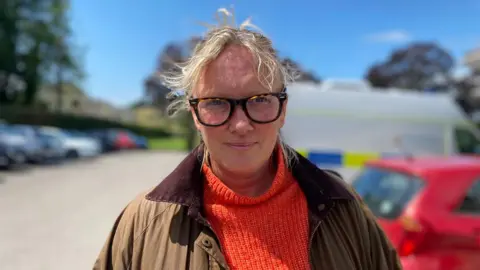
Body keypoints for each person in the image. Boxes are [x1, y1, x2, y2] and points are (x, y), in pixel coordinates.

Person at [93, 8, 402, 270]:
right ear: (194, 114)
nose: (240, 124)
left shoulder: (344, 208)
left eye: (259, 100)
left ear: (283, 110)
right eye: (216, 102)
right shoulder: (142, 224)